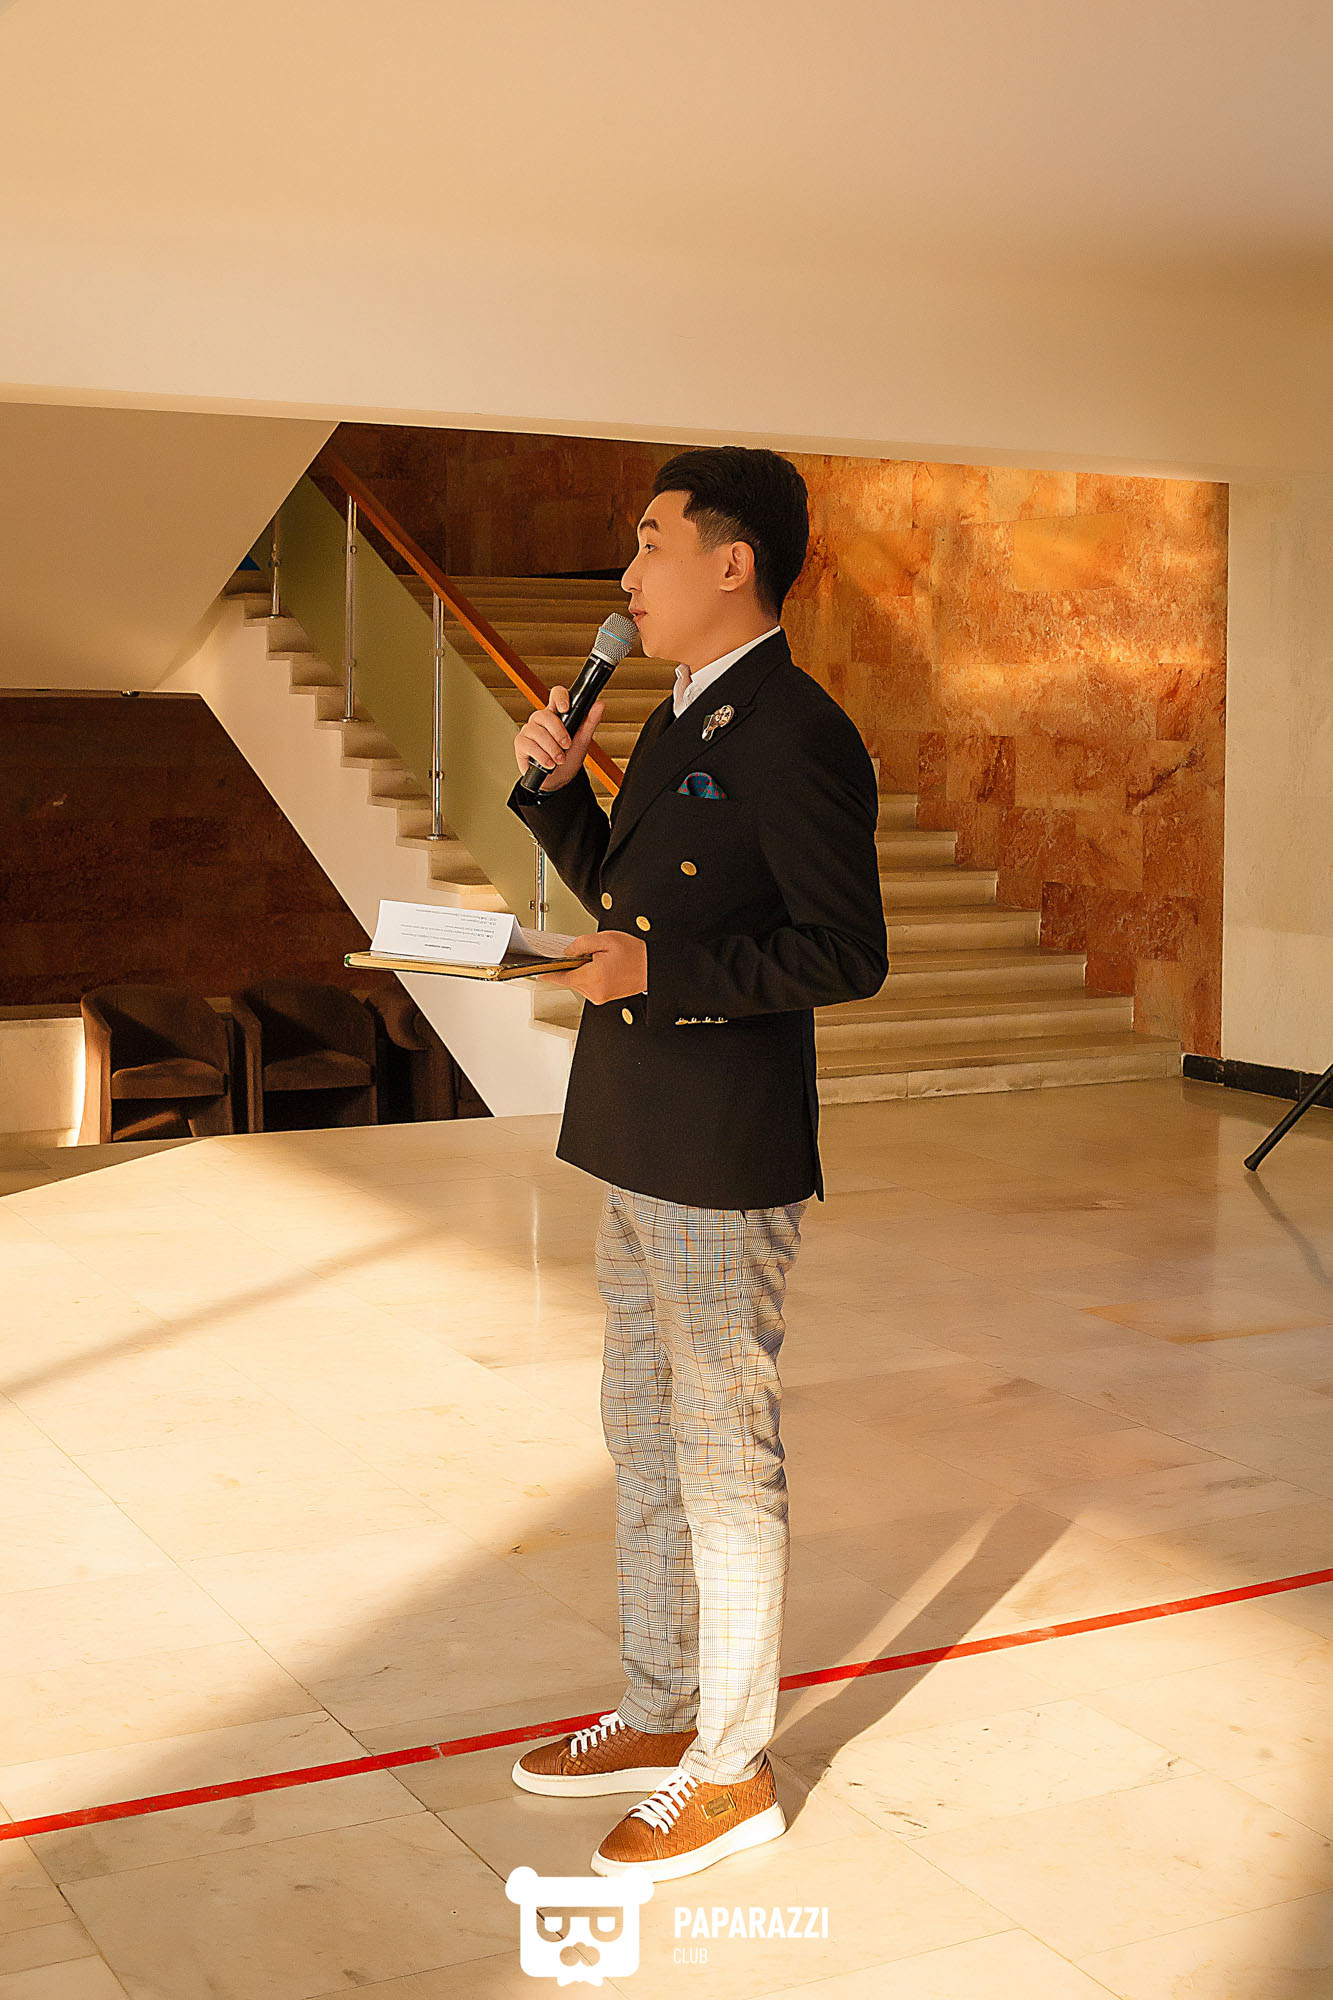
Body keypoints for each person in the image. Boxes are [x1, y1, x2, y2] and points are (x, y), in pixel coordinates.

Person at [505, 445, 887, 1882]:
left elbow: (844, 952)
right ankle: (662, 1706)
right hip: (637, 1126)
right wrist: (558, 796)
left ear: (733, 562)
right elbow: (634, 893)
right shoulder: (681, 710)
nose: (626, 576)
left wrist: (656, 975)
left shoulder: (796, 730)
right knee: (644, 1427)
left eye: (649, 545)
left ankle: (731, 1769)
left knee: (722, 1457)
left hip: (722, 1146)